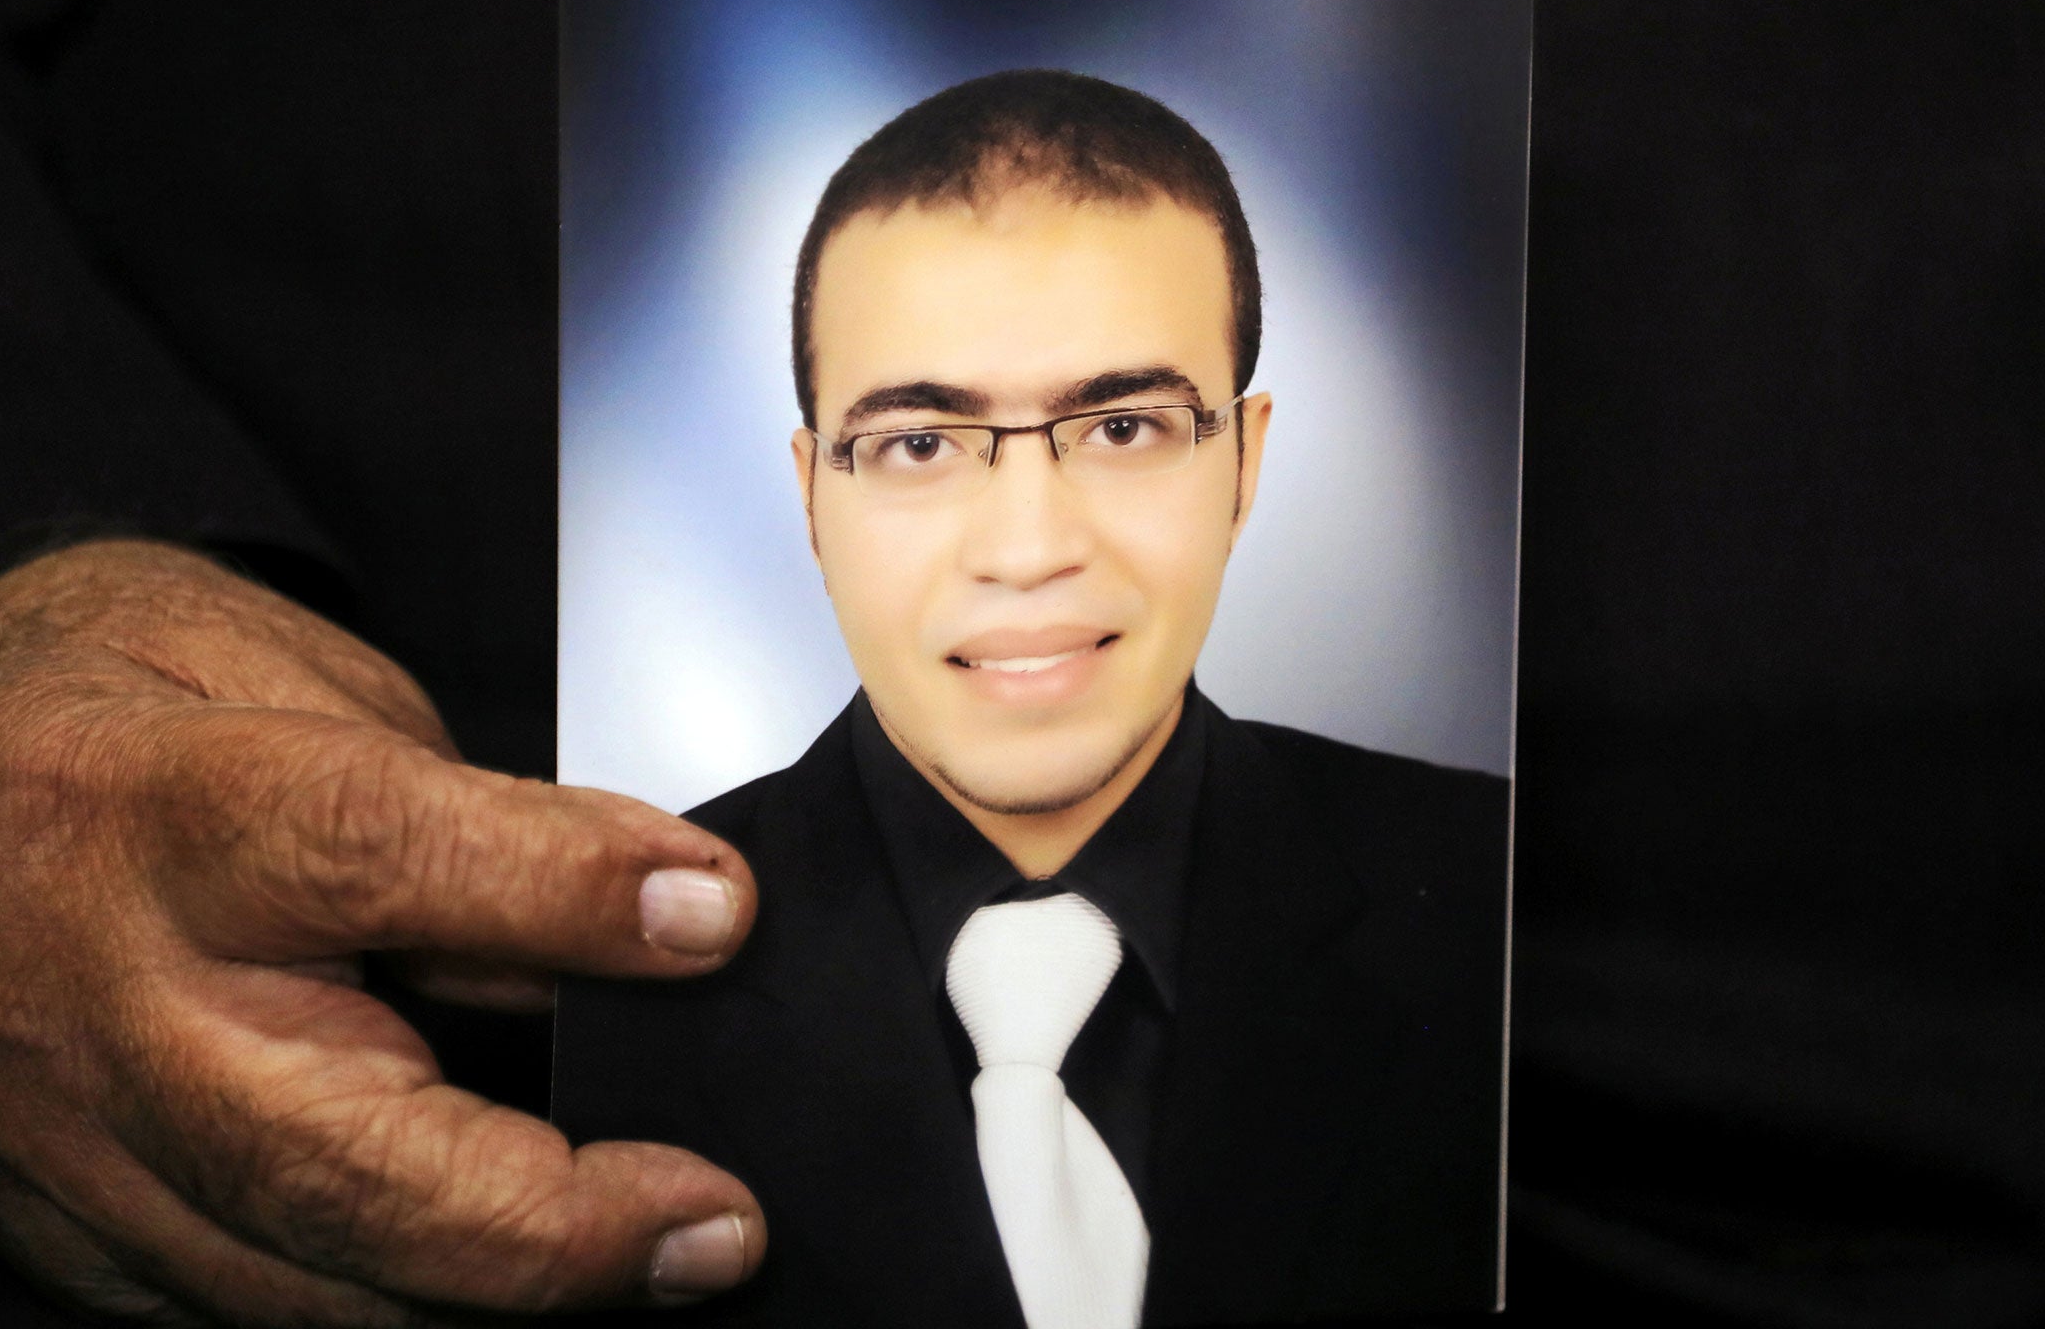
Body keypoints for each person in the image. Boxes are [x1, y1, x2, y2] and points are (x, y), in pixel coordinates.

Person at [553, 70, 1512, 1328]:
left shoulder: (1495, 896)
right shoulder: (597, 997)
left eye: (1121, 428)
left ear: (1245, 462)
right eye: (918, 443)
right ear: (810, 497)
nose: (1024, 549)